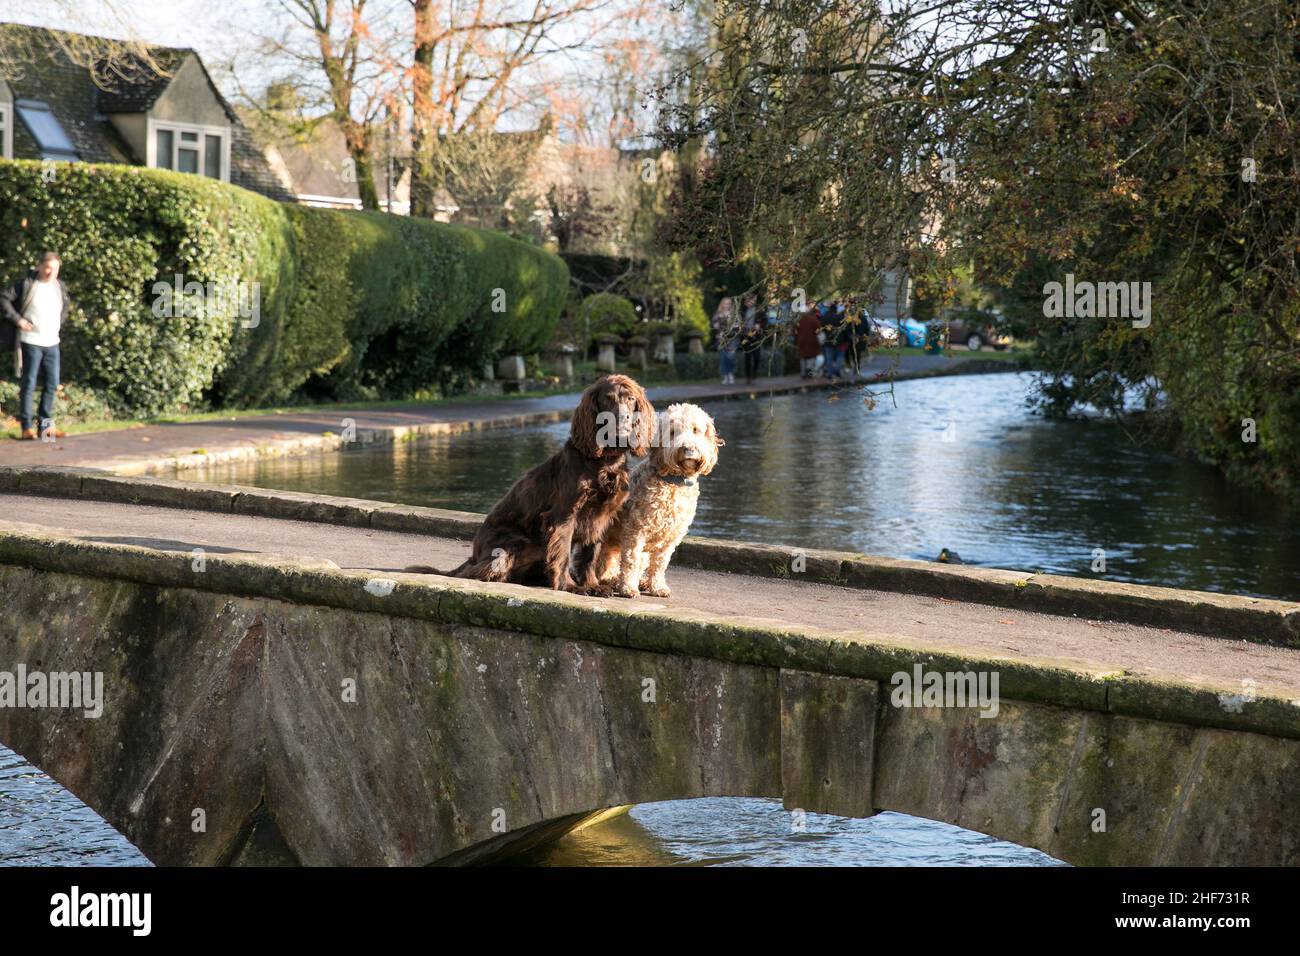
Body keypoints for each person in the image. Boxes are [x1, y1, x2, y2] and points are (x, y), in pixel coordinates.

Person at [1, 251, 71, 440]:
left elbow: (65, 307)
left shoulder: (59, 287)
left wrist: (58, 323)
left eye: (55, 269)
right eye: (48, 267)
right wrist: (18, 320)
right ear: (40, 266)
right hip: (31, 341)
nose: (50, 272)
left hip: (52, 343)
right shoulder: (27, 284)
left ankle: (46, 428)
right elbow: (4, 298)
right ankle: (26, 427)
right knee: (29, 384)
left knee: (51, 384)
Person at [739, 294, 767, 384]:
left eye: (752, 301)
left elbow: (765, 321)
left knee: (757, 357)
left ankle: (754, 373)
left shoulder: (760, 310)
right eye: (748, 301)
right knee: (747, 357)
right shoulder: (742, 311)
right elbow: (738, 322)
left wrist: (760, 326)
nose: (749, 303)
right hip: (746, 337)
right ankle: (748, 377)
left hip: (756, 336)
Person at [711, 296, 739, 385]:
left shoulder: (734, 314)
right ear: (722, 304)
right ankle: (726, 376)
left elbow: (739, 325)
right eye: (725, 303)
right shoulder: (718, 314)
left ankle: (730, 374)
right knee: (724, 357)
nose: (726, 305)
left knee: (731, 356)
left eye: (728, 303)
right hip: (721, 338)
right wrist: (718, 326)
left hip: (733, 337)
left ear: (731, 305)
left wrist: (735, 325)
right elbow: (715, 325)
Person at [794, 307, 822, 378]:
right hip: (812, 340)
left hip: (801, 341)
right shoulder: (813, 319)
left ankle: (803, 373)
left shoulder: (798, 320)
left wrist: (797, 338)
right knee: (812, 356)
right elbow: (819, 329)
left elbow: (794, 331)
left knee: (802, 357)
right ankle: (809, 370)